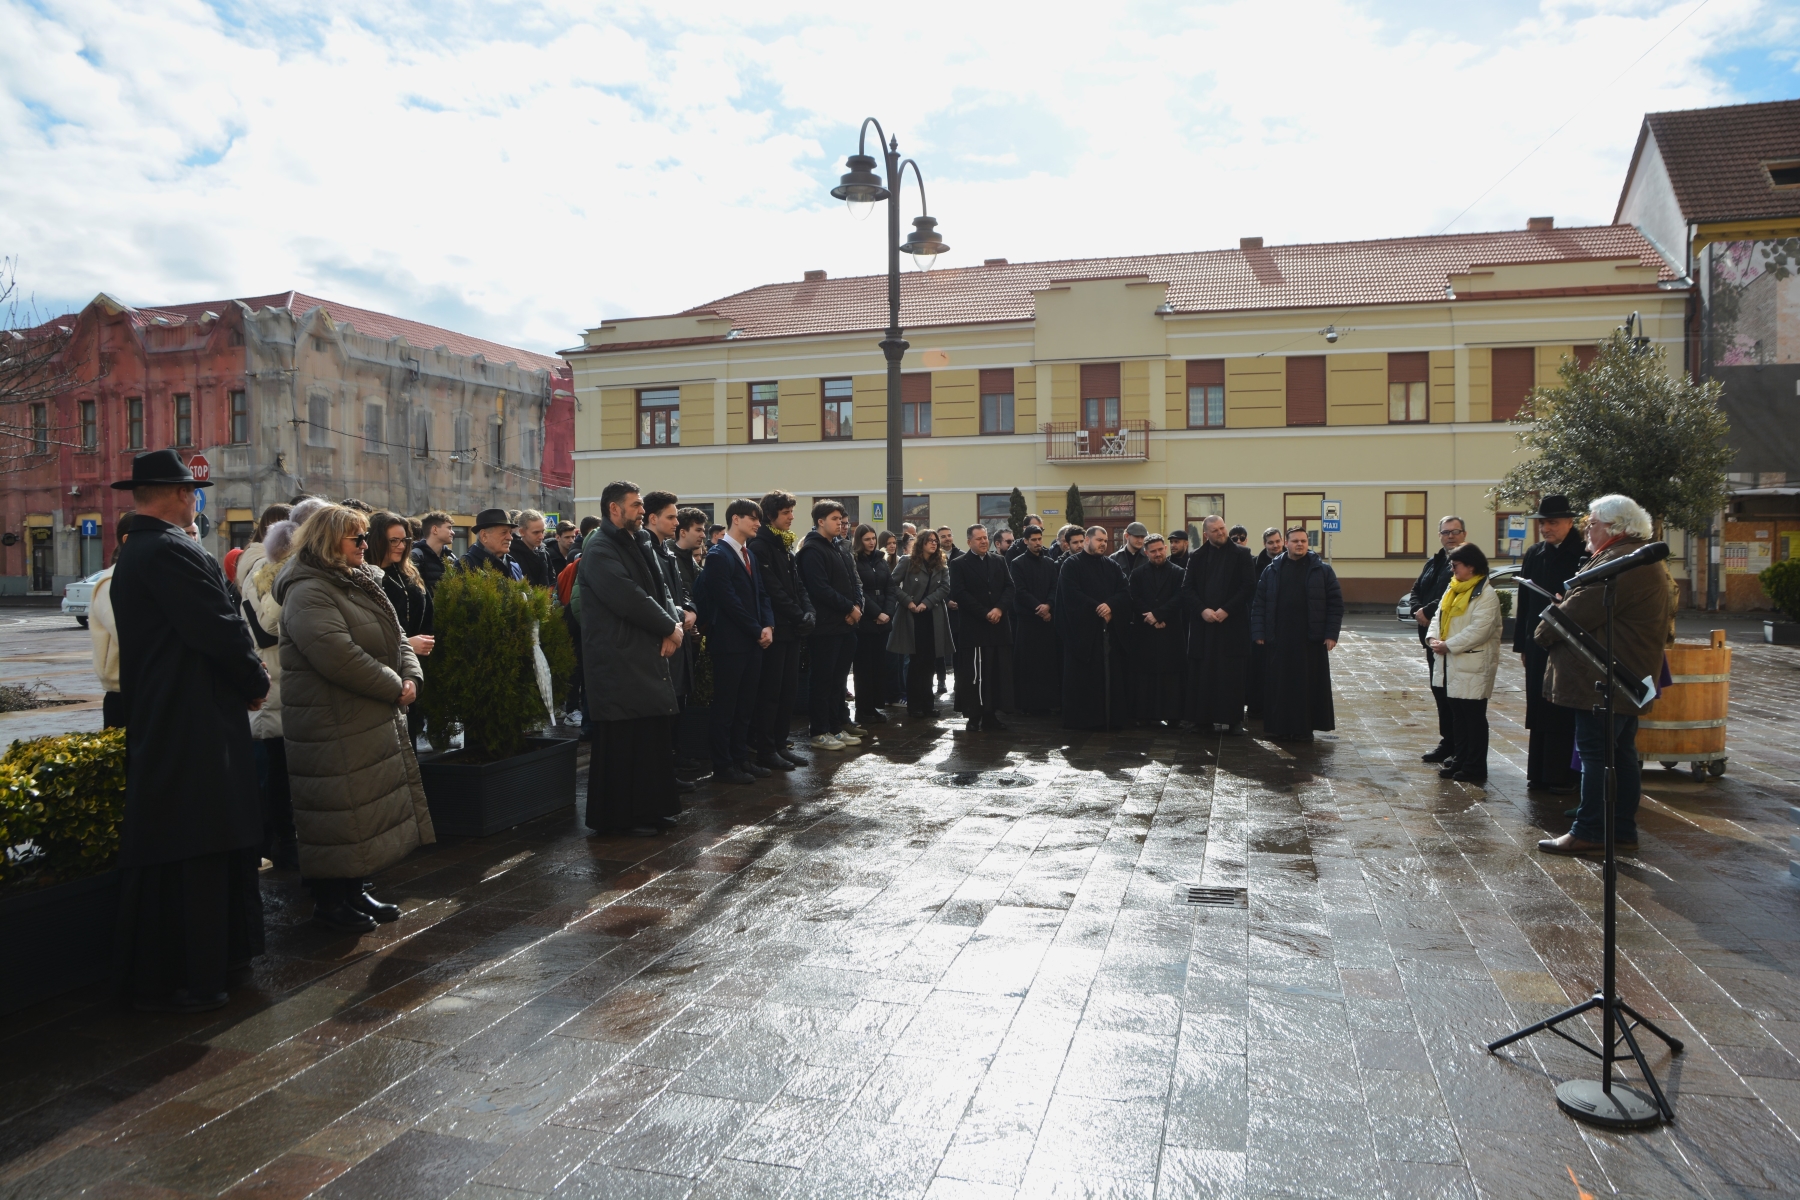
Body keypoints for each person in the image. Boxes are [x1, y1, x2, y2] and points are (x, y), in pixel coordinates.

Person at [109, 449, 270, 1012]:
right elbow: (220, 628)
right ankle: (206, 972)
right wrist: (254, 679)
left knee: (187, 840)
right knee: (204, 841)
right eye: (193, 492)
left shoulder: (139, 549)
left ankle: (213, 964)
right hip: (194, 720)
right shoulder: (171, 549)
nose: (195, 501)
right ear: (180, 494)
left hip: (171, 714)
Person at [276, 504, 431, 934]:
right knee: (336, 812)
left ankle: (355, 888)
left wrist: (411, 676)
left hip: (363, 716)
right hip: (330, 723)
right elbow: (338, 655)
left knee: (360, 809)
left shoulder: (358, 579)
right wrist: (394, 686)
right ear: (329, 542)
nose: (366, 545)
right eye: (357, 538)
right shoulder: (308, 590)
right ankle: (331, 901)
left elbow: (396, 637)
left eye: (365, 537)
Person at [1535, 494, 1674, 857]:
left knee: (1598, 756)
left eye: (1591, 523)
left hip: (1605, 678)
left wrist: (1543, 629)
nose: (1586, 530)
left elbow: (1574, 614)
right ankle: (1621, 830)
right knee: (1621, 754)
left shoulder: (1621, 562)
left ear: (1615, 527)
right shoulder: (1633, 557)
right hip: (1623, 676)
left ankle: (1591, 831)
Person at [580, 481, 684, 831]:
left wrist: (671, 624)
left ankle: (651, 809)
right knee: (625, 743)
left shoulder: (638, 541)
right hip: (618, 658)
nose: (642, 511)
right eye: (636, 505)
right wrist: (669, 628)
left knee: (650, 737)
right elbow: (628, 596)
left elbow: (661, 589)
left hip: (644, 652)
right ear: (614, 508)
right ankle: (621, 819)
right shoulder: (600, 547)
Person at [694, 498, 774, 782]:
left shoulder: (749, 554)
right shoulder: (718, 554)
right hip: (730, 644)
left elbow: (761, 594)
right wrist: (756, 629)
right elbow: (728, 601)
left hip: (752, 641)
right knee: (726, 707)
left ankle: (741, 759)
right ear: (735, 519)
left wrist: (768, 625)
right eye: (753, 518)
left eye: (759, 519)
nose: (758, 524)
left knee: (745, 706)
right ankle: (723, 765)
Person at [1514, 496, 1588, 793]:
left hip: (1567, 644)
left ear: (1570, 523)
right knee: (1538, 706)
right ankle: (1539, 771)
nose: (1546, 528)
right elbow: (1524, 602)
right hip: (1537, 642)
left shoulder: (1583, 553)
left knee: (1561, 707)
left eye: (1553, 523)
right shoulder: (1535, 553)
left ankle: (1562, 775)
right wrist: (1521, 645)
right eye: (1543, 523)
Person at [242, 514, 300, 869]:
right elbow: (264, 632)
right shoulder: (263, 577)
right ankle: (279, 843)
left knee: (286, 774)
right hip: (274, 687)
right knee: (275, 774)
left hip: (289, 687)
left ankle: (284, 841)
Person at [1251, 527, 1343, 741]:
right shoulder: (1272, 570)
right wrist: (1259, 631)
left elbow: (1335, 604)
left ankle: (1304, 730)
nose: (1299, 544)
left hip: (1310, 639)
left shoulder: (1322, 570)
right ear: (1286, 543)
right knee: (1280, 685)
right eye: (1295, 541)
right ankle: (1280, 728)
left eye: (1303, 540)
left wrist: (1331, 634)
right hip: (1279, 638)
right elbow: (1259, 603)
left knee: (1306, 686)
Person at [748, 491, 814, 770]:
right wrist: (800, 615)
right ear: (771, 515)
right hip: (776, 628)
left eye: (791, 512)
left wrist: (808, 612)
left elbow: (798, 585)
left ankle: (780, 744)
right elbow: (772, 589)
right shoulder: (760, 546)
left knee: (788, 691)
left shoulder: (784, 544)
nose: (791, 517)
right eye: (786, 512)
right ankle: (766, 748)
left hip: (792, 628)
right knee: (771, 693)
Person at [1428, 542, 1502, 784]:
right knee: (1458, 716)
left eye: (1456, 565)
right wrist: (1433, 638)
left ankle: (1475, 766)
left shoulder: (1485, 594)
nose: (1452, 570)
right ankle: (1460, 759)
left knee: (1473, 717)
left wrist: (1449, 645)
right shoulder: (1454, 589)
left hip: (1472, 664)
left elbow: (1480, 630)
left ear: (1471, 566)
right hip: (1452, 663)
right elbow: (1438, 617)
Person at [642, 492, 698, 791]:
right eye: (671, 517)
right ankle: (664, 773)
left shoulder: (667, 551)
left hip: (679, 636)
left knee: (677, 703)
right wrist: (678, 615)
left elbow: (681, 591)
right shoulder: (644, 550)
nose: (677, 522)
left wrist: (691, 609)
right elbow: (652, 596)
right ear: (653, 519)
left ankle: (673, 761)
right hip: (663, 639)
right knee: (664, 709)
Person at [798, 500, 864, 751]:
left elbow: (852, 582)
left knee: (838, 682)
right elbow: (819, 588)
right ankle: (819, 731)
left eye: (841, 519)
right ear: (820, 521)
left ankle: (835, 726)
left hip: (845, 626)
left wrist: (856, 606)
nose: (840, 523)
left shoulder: (837, 547)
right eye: (834, 519)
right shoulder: (812, 550)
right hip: (825, 628)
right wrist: (849, 608)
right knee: (822, 681)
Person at [1184, 515, 1257, 734]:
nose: (1221, 532)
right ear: (1206, 534)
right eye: (1215, 530)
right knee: (1203, 673)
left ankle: (1233, 721)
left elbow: (1248, 587)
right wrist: (1202, 610)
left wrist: (1227, 610)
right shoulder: (1196, 556)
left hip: (1231, 624)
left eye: (1222, 528)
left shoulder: (1242, 554)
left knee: (1231, 674)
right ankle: (1202, 720)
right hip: (1204, 625)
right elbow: (1187, 589)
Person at [370, 511, 435, 747]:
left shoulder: (409, 571)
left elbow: (427, 609)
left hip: (415, 668)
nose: (400, 546)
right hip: (385, 670)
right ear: (377, 541)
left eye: (404, 540)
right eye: (393, 541)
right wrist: (407, 643)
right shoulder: (368, 576)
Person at [1057, 526, 1129, 730]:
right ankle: (1084, 721)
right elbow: (1071, 594)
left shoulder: (1112, 565)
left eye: (1105, 541)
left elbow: (1124, 591)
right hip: (1082, 635)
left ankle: (1109, 719)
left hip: (1107, 632)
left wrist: (1110, 606)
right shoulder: (1071, 565)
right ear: (1087, 540)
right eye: (1099, 540)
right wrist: (1098, 608)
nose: (1103, 544)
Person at [1409, 515, 1467, 763]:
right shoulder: (1434, 562)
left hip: (1452, 640)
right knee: (1439, 691)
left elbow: (1451, 593)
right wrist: (1417, 609)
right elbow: (1416, 589)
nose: (1450, 536)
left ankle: (1460, 746)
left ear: (1464, 534)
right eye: (1445, 532)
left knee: (1455, 696)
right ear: (1439, 535)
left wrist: (1428, 611)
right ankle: (1447, 742)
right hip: (1431, 639)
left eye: (1455, 531)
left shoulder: (1467, 563)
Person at [950, 524, 1015, 731]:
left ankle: (991, 715)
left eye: (985, 537)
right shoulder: (959, 564)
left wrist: (999, 609)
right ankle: (974, 716)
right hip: (975, 628)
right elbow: (959, 593)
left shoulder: (999, 561)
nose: (984, 541)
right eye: (979, 539)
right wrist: (985, 613)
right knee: (974, 675)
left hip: (998, 628)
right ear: (969, 542)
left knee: (995, 673)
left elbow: (1010, 587)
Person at [887, 530, 952, 719]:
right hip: (912, 616)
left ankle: (928, 705)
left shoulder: (941, 563)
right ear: (921, 543)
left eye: (935, 541)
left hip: (933, 616)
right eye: (929, 540)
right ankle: (914, 705)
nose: (934, 543)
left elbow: (945, 587)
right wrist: (908, 602)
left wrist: (927, 602)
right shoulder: (907, 561)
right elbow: (891, 584)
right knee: (916, 662)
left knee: (930, 662)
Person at [1126, 533, 1185, 726]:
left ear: (1165, 549)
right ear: (1146, 552)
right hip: (1145, 632)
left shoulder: (1179, 572)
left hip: (1170, 631)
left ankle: (1173, 716)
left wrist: (1159, 615)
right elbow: (1134, 598)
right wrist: (1151, 618)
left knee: (1171, 675)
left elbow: (1180, 597)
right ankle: (1145, 715)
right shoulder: (1137, 574)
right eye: (1153, 551)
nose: (1158, 554)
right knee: (1146, 675)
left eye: (1160, 549)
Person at [89, 510, 136, 730]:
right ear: (127, 540)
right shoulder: (110, 582)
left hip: (150, 689)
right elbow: (128, 636)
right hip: (123, 693)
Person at [1009, 525, 1061, 715]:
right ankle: (1028, 704)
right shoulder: (1017, 563)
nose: (1038, 543)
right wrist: (1039, 608)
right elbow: (1020, 591)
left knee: (1046, 663)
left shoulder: (1049, 563)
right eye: (1034, 540)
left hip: (1047, 621)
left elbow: (1055, 587)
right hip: (1028, 621)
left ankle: (1046, 702)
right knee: (1028, 664)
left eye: (1040, 539)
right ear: (1026, 541)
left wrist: (1049, 605)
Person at [852, 523, 897, 727]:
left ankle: (874, 707)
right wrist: (877, 612)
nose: (871, 542)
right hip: (866, 622)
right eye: (867, 539)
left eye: (873, 538)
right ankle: (863, 709)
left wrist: (887, 612)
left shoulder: (881, 561)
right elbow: (860, 591)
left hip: (883, 622)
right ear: (859, 541)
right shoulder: (855, 561)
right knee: (864, 668)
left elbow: (890, 588)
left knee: (879, 666)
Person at [1245, 527, 1283, 720]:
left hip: (1283, 625)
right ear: (1264, 544)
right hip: (1260, 623)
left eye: (1277, 541)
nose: (1275, 546)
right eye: (1270, 542)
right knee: (1258, 667)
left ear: (1282, 541)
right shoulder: (1255, 564)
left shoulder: (1290, 561)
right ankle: (1257, 706)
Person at [463, 508, 522, 578]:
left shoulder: (513, 565)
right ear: (484, 535)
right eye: (504, 532)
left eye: (510, 532)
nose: (510, 537)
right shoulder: (465, 565)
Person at [413, 511, 457, 592]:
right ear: (435, 529)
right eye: (449, 528)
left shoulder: (451, 557)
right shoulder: (416, 556)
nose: (453, 533)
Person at [510, 509, 552, 588]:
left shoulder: (544, 552)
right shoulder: (512, 556)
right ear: (522, 532)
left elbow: (552, 580)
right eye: (536, 532)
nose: (541, 537)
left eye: (542, 531)